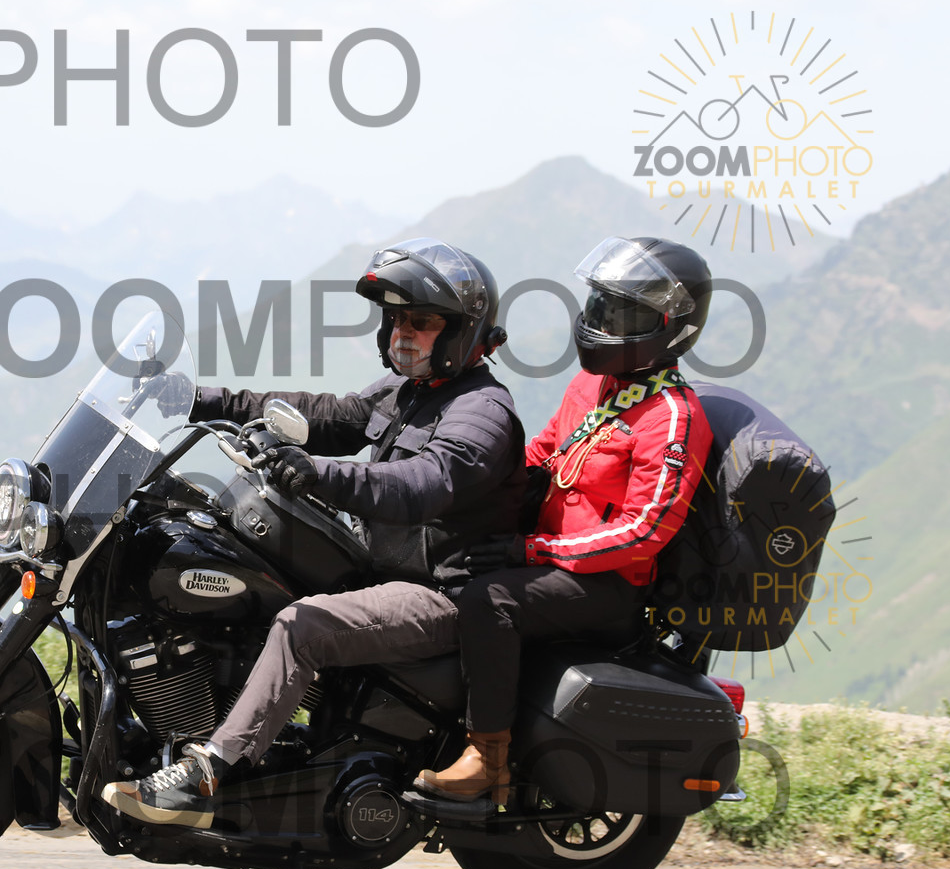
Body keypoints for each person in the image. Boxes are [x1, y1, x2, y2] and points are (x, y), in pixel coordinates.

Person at [102, 238, 526, 828]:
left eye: (422, 322)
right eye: (396, 319)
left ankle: (208, 774)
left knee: (302, 625)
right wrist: (199, 400)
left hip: (442, 596)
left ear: (460, 331)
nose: (403, 333)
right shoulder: (407, 393)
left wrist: (320, 474)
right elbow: (321, 414)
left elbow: (423, 484)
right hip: (385, 574)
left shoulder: (482, 410)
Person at [413, 236, 716, 804]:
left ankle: (487, 760)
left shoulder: (671, 417)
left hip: (606, 584)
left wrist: (534, 551)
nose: (602, 322)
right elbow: (543, 453)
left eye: (622, 313)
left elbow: (644, 531)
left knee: (489, 600)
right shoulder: (594, 385)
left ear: (672, 327)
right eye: (600, 305)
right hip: (548, 556)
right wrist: (470, 487)